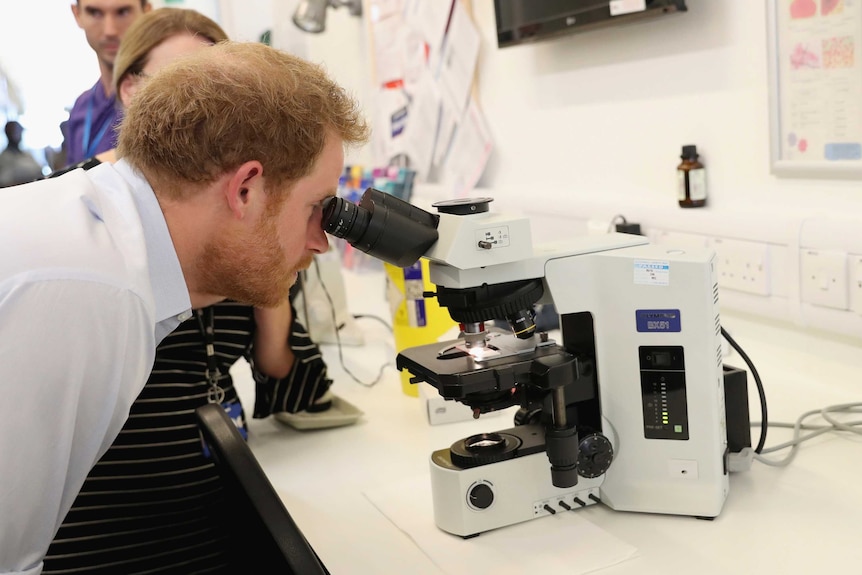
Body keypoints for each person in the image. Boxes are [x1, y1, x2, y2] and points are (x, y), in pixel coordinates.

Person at [0, 39, 370, 575]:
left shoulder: (110, 245)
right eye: (316, 207)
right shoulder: (95, 290)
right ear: (245, 188)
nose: (322, 241)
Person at [62, 0, 152, 166]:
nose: (110, 30)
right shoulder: (81, 107)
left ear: (146, 12)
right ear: (77, 14)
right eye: (95, 13)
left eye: (123, 12)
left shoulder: (161, 100)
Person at [0, 120, 45, 187]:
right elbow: (5, 181)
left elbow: (39, 170)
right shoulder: (4, 158)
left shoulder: (26, 154)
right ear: (10, 134)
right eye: (17, 131)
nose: (20, 135)